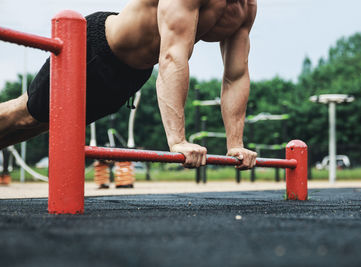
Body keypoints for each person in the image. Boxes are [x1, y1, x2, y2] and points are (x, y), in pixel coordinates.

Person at [0, 0, 258, 170]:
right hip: (96, 51)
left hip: (131, 76)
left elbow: (235, 75)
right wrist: (178, 141)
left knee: (42, 124)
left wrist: (235, 144)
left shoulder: (246, 7)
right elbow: (172, 56)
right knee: (23, 115)